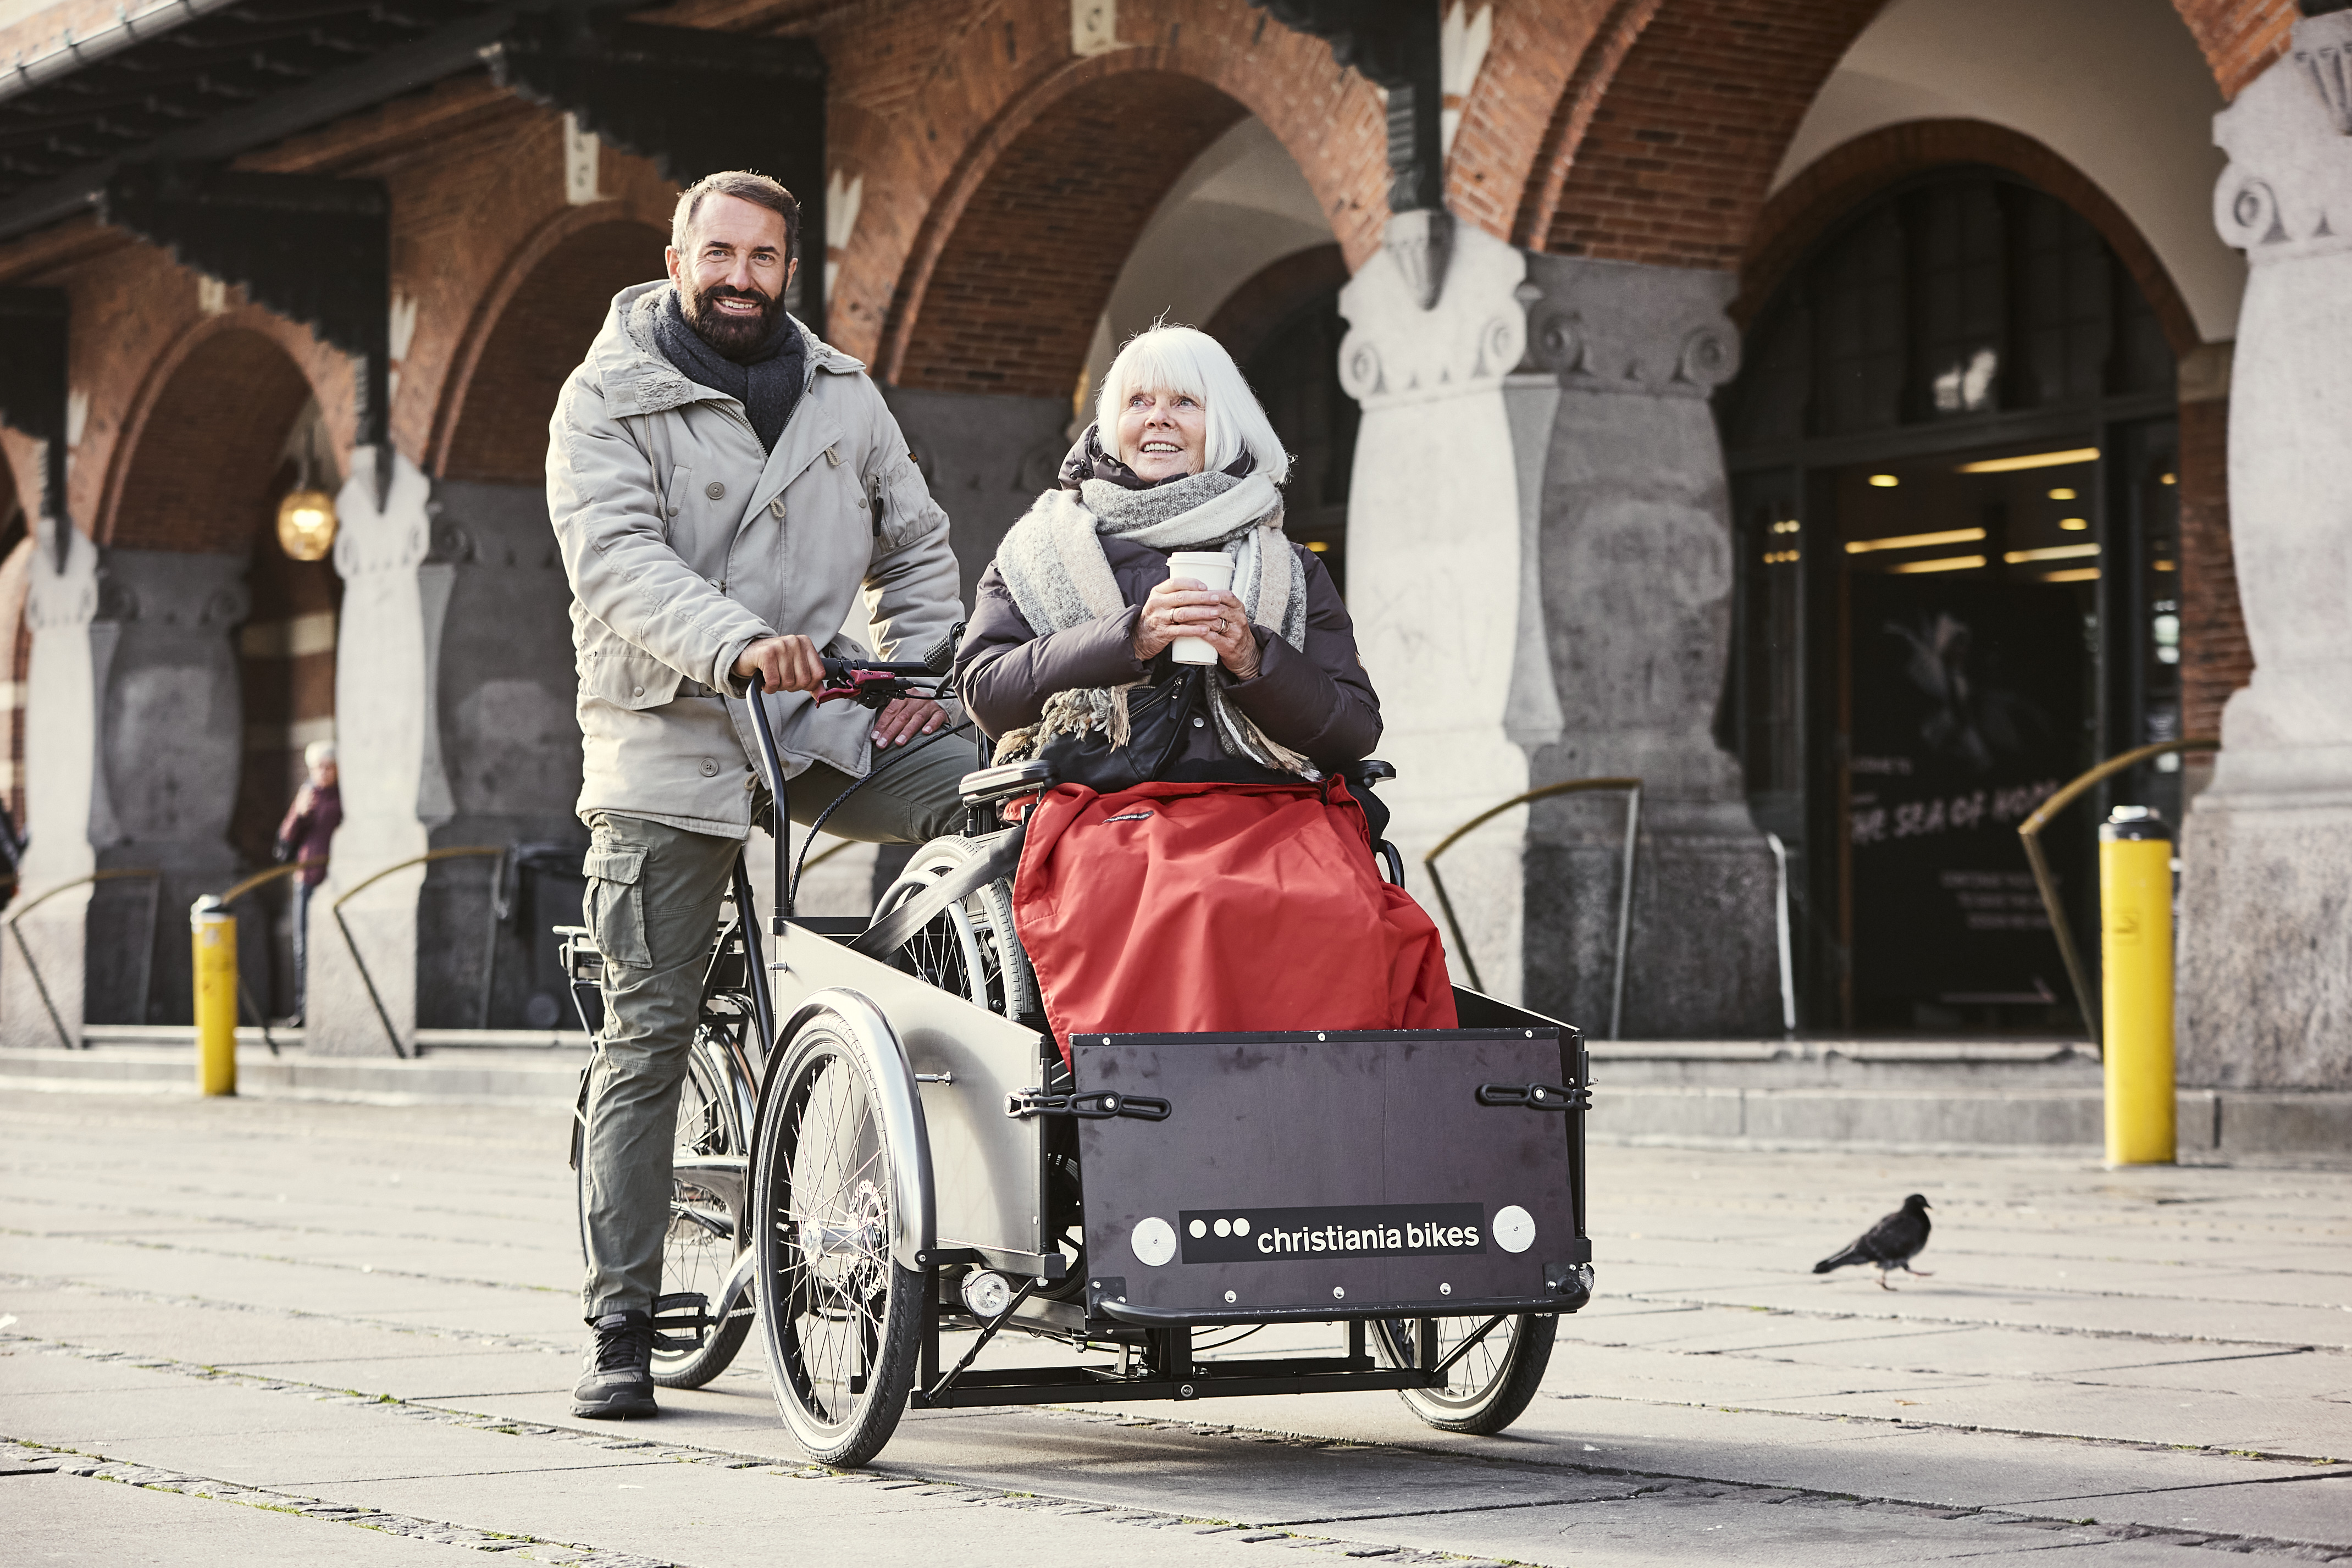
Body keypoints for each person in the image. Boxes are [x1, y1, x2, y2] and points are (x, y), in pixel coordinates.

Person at [547, 170, 968, 1421]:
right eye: (718, 252)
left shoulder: (843, 391)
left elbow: (921, 541)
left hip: (824, 722)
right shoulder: (605, 395)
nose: (741, 275)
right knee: (650, 1028)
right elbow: (616, 560)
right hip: (667, 738)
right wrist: (732, 639)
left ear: (792, 266)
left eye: (764, 256)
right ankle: (622, 1320)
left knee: (991, 800)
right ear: (675, 256)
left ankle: (948, 1028)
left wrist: (920, 675)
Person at [958, 325, 1454, 1044]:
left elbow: (1353, 727)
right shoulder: (1040, 551)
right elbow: (987, 690)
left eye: (1183, 402)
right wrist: (1128, 638)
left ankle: (1329, 1111)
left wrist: (1254, 658)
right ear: (1111, 423)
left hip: (1272, 808)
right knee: (1193, 902)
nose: (1157, 417)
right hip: (1099, 808)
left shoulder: (1287, 564)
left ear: (1218, 424)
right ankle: (1159, 1110)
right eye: (1137, 401)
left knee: (1344, 909)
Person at [273, 740, 341, 1024]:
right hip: (307, 880)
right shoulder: (306, 796)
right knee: (304, 946)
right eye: (317, 768)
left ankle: (334, 1007)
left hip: (336, 881)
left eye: (328, 767)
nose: (322, 773)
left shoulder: (343, 799)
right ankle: (304, 1009)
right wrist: (298, 816)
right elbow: (283, 847)